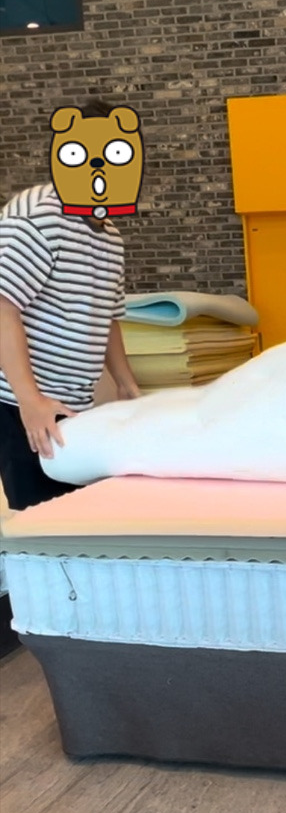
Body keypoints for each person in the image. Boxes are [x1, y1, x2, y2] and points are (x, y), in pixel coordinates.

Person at [0, 98, 140, 512]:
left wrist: (126, 383)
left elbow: (107, 315)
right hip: (19, 401)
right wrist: (30, 401)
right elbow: (2, 305)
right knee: (42, 521)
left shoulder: (109, 235)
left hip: (73, 402)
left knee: (76, 513)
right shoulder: (36, 217)